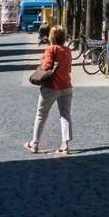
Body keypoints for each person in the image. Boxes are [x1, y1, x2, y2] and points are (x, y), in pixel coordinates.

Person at [26, 26, 74, 155]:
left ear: (51, 37)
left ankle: (34, 143)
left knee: (41, 114)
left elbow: (47, 67)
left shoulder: (51, 49)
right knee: (65, 115)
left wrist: (41, 64)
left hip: (51, 87)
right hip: (66, 86)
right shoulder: (67, 50)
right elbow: (69, 68)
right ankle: (65, 144)